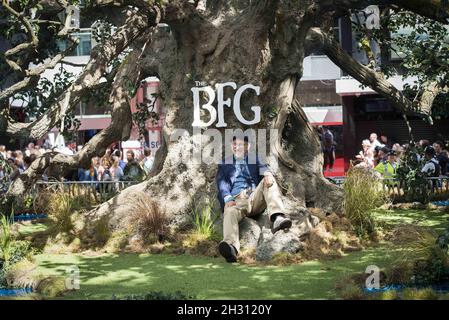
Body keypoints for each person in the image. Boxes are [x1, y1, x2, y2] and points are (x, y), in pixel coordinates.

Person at [216, 135, 292, 263]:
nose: (237, 147)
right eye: (234, 144)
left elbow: (264, 168)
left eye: (241, 144)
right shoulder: (225, 163)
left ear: (247, 146)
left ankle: (277, 217)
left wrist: (267, 174)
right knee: (229, 211)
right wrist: (227, 198)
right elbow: (221, 184)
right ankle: (231, 247)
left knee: (269, 180)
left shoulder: (254, 158)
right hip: (237, 201)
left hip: (254, 198)